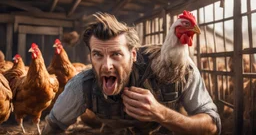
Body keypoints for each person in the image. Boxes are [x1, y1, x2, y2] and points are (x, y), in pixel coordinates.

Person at [42, 13, 221, 135]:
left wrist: (161, 114)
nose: (106, 66)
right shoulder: (81, 86)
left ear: (133, 55)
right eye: (98, 55)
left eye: (116, 54)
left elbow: (212, 126)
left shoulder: (182, 70)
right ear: (90, 56)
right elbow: (53, 126)